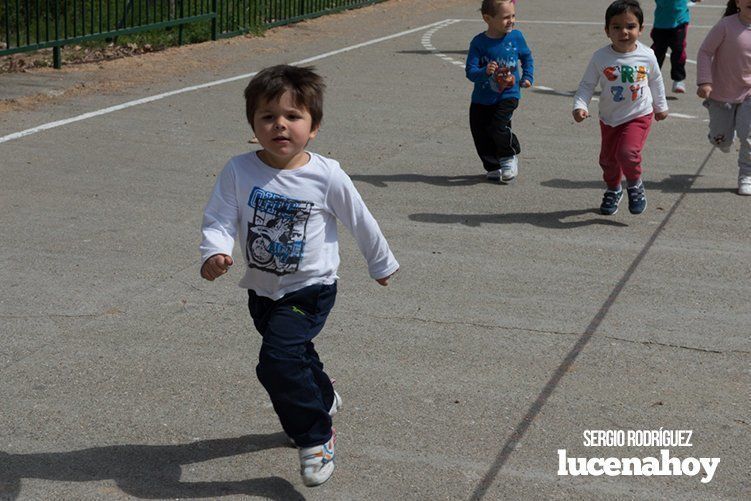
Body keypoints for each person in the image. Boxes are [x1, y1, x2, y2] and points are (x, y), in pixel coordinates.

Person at [199, 64, 399, 486]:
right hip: (262, 289)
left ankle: (316, 437)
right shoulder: (238, 170)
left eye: (293, 116)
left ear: (314, 126)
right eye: (268, 116)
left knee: (276, 361)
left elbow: (360, 219)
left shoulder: (326, 175)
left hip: (310, 289)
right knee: (294, 354)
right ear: (253, 125)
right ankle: (322, 397)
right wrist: (216, 252)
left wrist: (380, 263)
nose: (280, 125)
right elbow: (219, 218)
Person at [573, 0, 669, 215]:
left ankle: (635, 185)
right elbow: (587, 84)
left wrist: (660, 106)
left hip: (639, 114)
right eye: (616, 27)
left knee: (628, 153)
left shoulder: (647, 55)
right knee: (607, 160)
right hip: (609, 118)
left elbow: (656, 80)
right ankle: (614, 189)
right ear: (607, 31)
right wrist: (580, 105)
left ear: (641, 29)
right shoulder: (600, 57)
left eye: (630, 26)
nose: (624, 32)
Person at [465, 0, 534, 183]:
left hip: (508, 94)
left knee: (498, 125)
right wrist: (484, 71)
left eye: (513, 15)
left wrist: (527, 76)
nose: (511, 20)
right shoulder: (479, 43)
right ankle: (492, 166)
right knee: (480, 131)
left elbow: (527, 58)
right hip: (482, 97)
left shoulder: (516, 37)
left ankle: (508, 157)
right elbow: (470, 72)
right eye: (505, 17)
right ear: (487, 18)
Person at [696, 0, 751, 196]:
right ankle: (724, 136)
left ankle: (746, 175)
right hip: (722, 92)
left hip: (749, 93)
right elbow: (705, 52)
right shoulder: (726, 25)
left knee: (749, 137)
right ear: (737, 2)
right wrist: (705, 81)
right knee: (721, 140)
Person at [650, 0, 702, 94]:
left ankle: (679, 80)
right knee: (657, 52)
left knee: (679, 49)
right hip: (661, 23)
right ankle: (651, 79)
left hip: (680, 22)